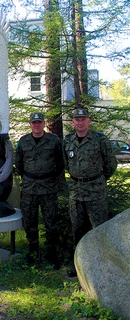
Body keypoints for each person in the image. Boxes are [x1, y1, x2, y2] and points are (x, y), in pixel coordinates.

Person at [63, 108, 117, 277]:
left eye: (83, 119)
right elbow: (66, 164)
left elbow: (111, 164)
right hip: (76, 191)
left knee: (99, 228)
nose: (80, 122)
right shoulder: (68, 141)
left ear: (89, 121)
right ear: (72, 122)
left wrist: (97, 179)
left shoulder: (100, 139)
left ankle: (102, 265)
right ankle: (79, 265)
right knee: (77, 229)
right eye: (77, 119)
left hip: (96, 192)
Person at [15, 112, 65, 268]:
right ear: (30, 125)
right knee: (30, 222)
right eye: (34, 122)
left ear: (44, 124)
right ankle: (33, 252)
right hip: (29, 189)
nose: (36, 125)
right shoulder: (23, 142)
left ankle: (52, 254)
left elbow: (60, 163)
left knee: (51, 223)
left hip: (48, 188)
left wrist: (50, 178)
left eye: (39, 122)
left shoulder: (54, 141)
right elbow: (19, 164)